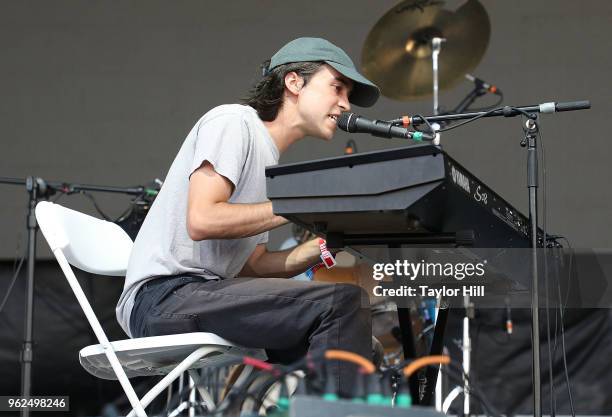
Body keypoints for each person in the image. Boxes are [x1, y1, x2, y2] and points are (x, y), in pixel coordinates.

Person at [115, 37, 380, 395]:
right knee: (341, 304)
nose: (345, 103)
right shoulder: (234, 122)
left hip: (200, 294)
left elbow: (253, 265)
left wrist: (330, 241)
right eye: (337, 87)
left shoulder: (268, 161)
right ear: (294, 82)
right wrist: (302, 203)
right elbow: (203, 220)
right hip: (163, 297)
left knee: (357, 341)